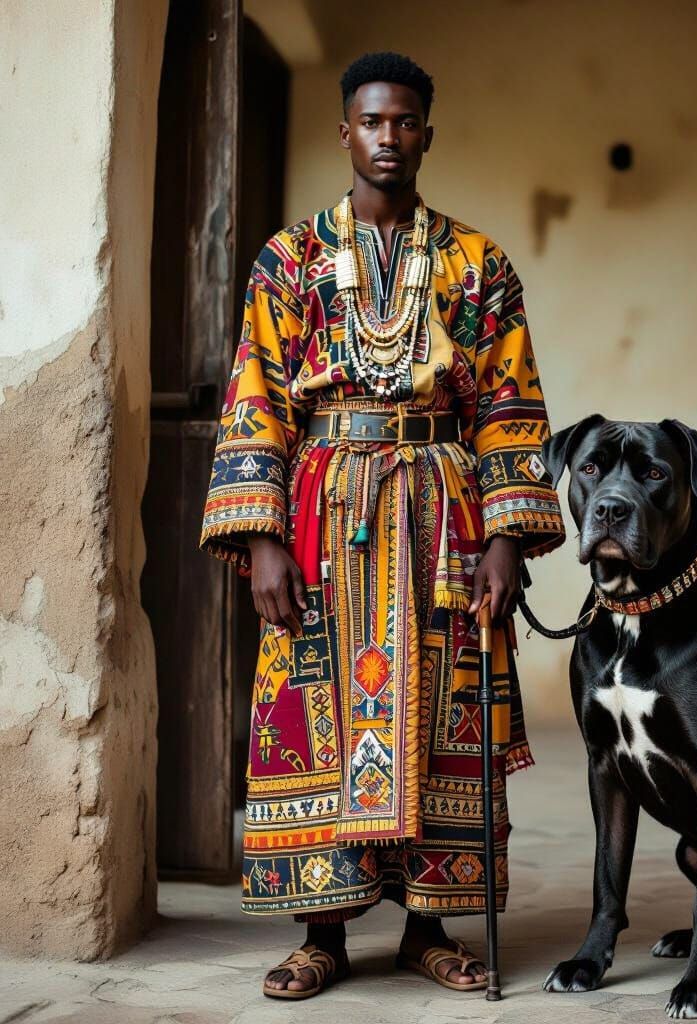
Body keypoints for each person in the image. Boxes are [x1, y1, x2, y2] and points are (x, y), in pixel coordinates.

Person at [199, 51, 565, 999]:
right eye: (372, 121)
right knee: (310, 708)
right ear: (346, 133)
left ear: (426, 134)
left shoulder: (479, 264)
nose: (389, 137)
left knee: (444, 708)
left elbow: (510, 406)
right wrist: (262, 537)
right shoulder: (288, 261)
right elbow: (257, 399)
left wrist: (504, 538)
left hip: (443, 516)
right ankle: (321, 931)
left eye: (405, 122)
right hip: (324, 514)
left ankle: (429, 928)